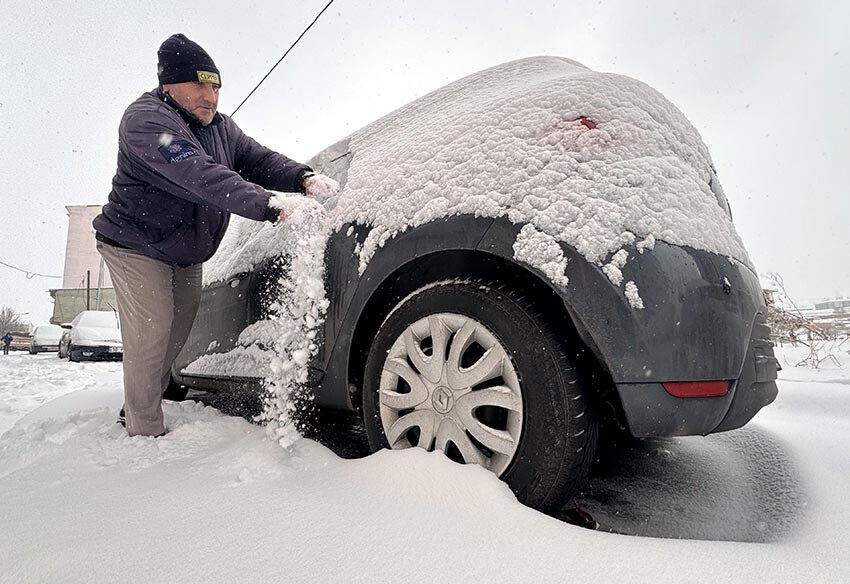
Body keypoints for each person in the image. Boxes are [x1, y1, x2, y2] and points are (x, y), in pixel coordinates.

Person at [93, 33, 339, 437]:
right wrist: (271, 206)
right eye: (199, 85)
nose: (210, 96)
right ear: (168, 85)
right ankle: (144, 430)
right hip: (135, 244)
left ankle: (141, 399)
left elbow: (256, 159)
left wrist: (301, 177)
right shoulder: (147, 123)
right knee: (152, 333)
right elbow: (199, 174)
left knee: (178, 330)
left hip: (185, 250)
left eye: (216, 86)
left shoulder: (222, 128)